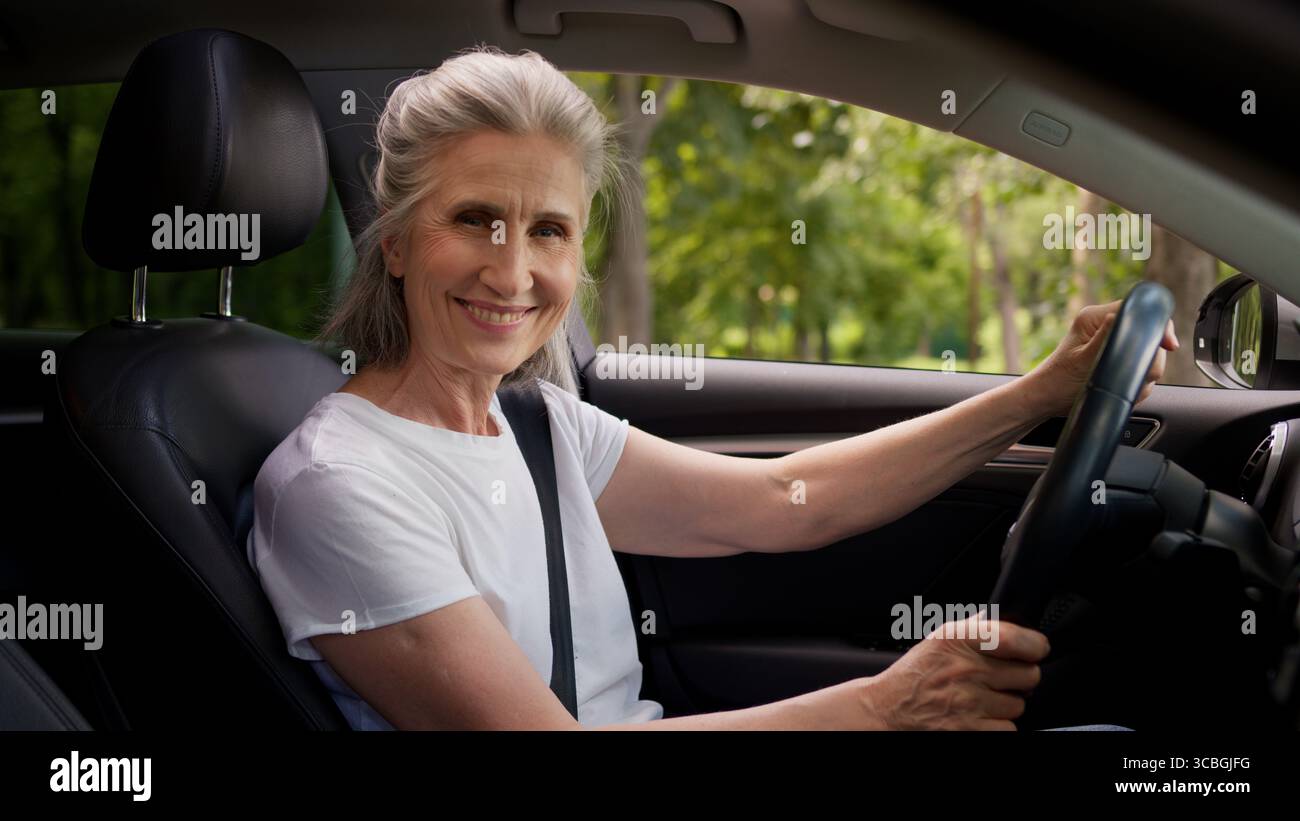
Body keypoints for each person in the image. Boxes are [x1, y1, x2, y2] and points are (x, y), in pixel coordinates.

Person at [245, 46, 1176, 730]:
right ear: (397, 242)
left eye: (550, 231)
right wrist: (884, 706)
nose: (512, 271)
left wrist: (1039, 392)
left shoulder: (534, 426)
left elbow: (782, 504)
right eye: (476, 219)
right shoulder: (341, 484)